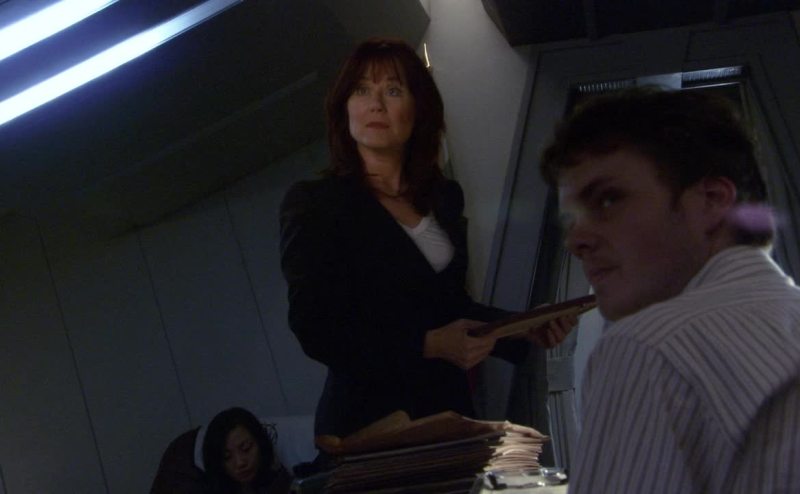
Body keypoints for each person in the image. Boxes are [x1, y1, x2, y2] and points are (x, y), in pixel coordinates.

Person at [279, 37, 575, 441]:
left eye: (393, 90)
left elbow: (450, 305)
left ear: (418, 110)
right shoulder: (316, 202)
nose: (375, 104)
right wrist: (428, 344)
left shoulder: (443, 197)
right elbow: (315, 327)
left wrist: (520, 327)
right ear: (343, 107)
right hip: (371, 421)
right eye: (361, 90)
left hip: (447, 411)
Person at [540, 87, 800, 493]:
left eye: (607, 200)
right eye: (572, 219)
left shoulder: (648, 347)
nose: (576, 240)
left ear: (711, 200)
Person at [202, 407, 291, 494]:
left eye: (246, 449)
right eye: (227, 457)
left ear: (260, 443)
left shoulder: (285, 484)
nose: (240, 463)